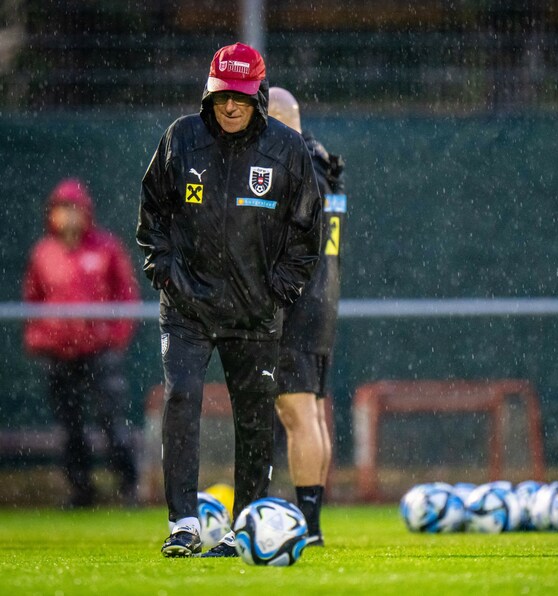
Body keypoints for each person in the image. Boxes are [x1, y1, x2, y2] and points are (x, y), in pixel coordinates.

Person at [136, 42, 321, 558]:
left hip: (256, 313)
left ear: (259, 96)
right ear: (208, 96)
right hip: (187, 309)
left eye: (241, 98)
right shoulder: (180, 139)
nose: (232, 107)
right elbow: (152, 215)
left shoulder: (288, 150)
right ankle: (183, 524)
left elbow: (308, 233)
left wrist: (277, 291)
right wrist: (168, 275)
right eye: (222, 98)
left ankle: (245, 524)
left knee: (255, 419)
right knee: (181, 399)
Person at [22, 177, 140, 508]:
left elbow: (127, 294)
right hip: (59, 355)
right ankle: (81, 492)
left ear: (86, 211)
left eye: (73, 208)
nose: (68, 216)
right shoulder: (43, 253)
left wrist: (115, 335)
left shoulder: (106, 247)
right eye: (61, 209)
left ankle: (128, 488)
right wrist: (40, 337)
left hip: (100, 354)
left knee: (111, 422)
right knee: (70, 427)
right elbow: (32, 300)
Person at [269, 87, 346, 547]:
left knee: (297, 414)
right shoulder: (324, 163)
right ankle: (312, 523)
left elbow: (293, 242)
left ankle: (309, 525)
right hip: (325, 302)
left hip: (297, 304)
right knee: (313, 414)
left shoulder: (294, 167)